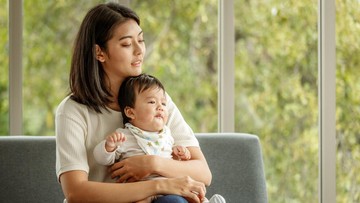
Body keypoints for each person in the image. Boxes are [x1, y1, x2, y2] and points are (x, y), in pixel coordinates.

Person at [56, 2, 212, 203]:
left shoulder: (158, 101)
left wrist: (152, 163)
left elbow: (203, 173)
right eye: (127, 44)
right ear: (99, 53)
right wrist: (158, 185)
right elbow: (75, 192)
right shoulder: (72, 111)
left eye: (141, 40)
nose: (139, 51)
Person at [93, 73, 192, 203]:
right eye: (152, 102)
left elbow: (170, 162)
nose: (160, 107)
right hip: (139, 191)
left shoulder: (166, 134)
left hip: (167, 189)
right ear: (130, 112)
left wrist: (180, 154)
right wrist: (109, 147)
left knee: (183, 198)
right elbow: (101, 159)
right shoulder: (125, 136)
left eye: (163, 103)